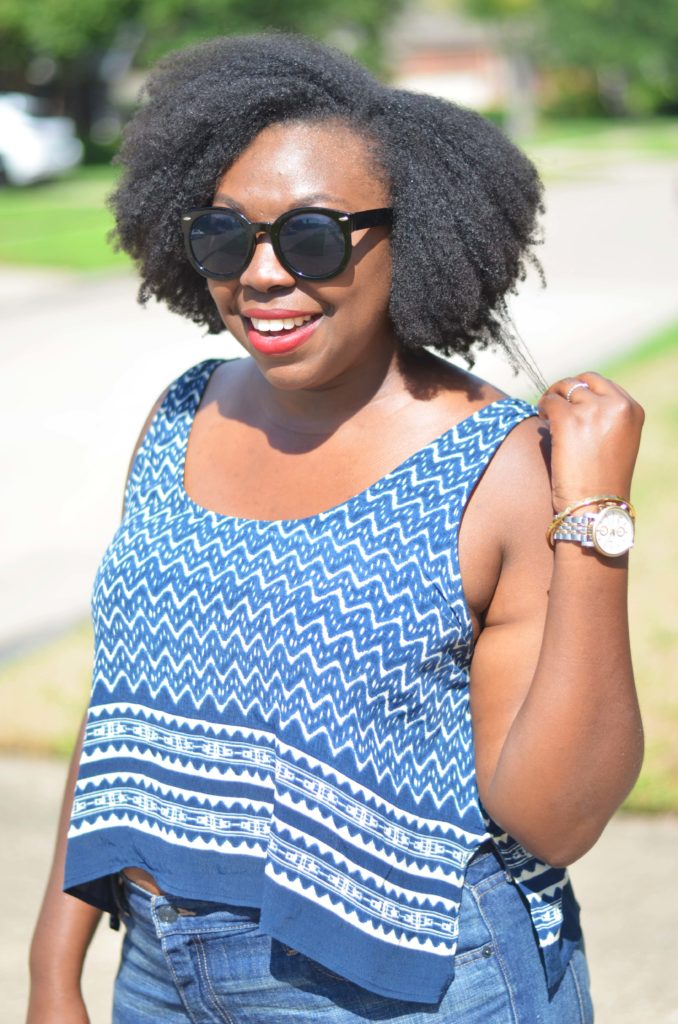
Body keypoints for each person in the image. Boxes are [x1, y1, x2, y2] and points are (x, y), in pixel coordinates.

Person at [27, 33, 644, 1024]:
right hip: (157, 968)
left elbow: (556, 816)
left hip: (403, 984)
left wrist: (595, 518)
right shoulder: (182, 415)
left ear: (416, 236)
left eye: (312, 236)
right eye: (227, 237)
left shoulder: (502, 469)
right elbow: (123, 711)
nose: (262, 274)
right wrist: (52, 964)